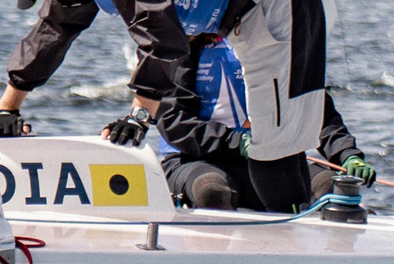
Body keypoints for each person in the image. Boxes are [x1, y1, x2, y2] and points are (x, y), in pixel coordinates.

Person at [0, 0, 374, 213]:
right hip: (249, 9)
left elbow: (160, 32)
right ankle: (285, 244)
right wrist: (9, 107)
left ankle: (294, 257)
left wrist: (140, 114)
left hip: (276, 0)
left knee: (275, 154)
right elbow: (56, 27)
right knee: (271, 155)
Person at [153, 43, 356, 211]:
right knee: (212, 190)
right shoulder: (184, 44)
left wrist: (346, 153)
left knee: (330, 186)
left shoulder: (280, 43)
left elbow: (314, 108)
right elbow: (174, 120)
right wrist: (237, 143)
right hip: (194, 161)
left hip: (269, 162)